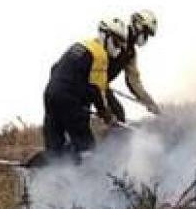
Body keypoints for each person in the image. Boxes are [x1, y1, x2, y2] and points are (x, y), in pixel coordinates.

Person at [41, 18, 130, 161]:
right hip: (70, 101)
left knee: (54, 148)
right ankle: (88, 178)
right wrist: (106, 114)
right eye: (116, 42)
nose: (118, 48)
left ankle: (49, 175)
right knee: (86, 147)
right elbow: (98, 90)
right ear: (105, 36)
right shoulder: (100, 55)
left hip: (50, 95)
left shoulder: (80, 45)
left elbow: (54, 68)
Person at [108, 9, 163, 118]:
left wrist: (149, 102)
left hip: (100, 85)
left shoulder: (130, 53)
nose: (145, 38)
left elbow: (133, 82)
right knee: (116, 114)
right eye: (146, 33)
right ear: (138, 25)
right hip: (90, 81)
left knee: (118, 114)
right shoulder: (117, 34)